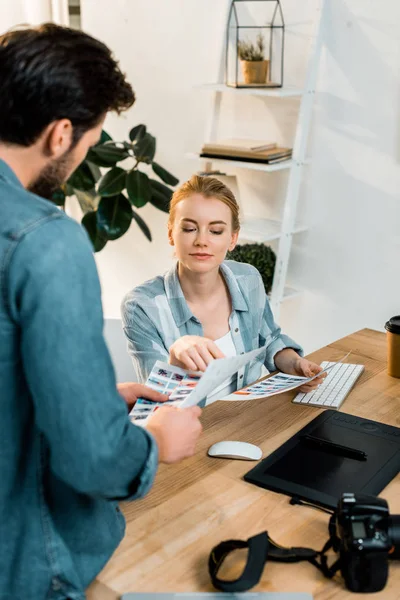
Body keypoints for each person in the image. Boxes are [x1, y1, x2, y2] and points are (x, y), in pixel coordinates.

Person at [0, 24, 202, 600]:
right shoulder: (45, 240)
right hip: (27, 568)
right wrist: (156, 441)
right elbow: (94, 460)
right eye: (90, 141)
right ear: (61, 134)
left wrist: (86, 396)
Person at [122, 175, 325, 404]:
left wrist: (295, 364)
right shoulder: (142, 306)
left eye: (216, 231)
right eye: (189, 228)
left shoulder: (247, 279)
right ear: (171, 234)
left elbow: (268, 340)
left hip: (247, 419)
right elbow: (154, 403)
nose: (201, 241)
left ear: (233, 238)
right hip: (186, 428)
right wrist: (175, 358)